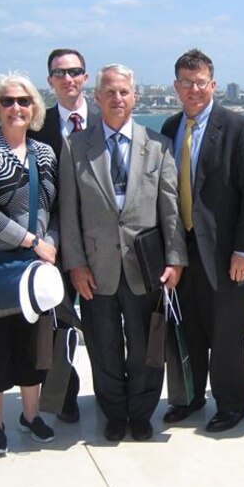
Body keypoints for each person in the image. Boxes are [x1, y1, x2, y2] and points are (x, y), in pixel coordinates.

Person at [59, 64, 187, 442]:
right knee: (104, 346)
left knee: (147, 346)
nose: (117, 99)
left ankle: (142, 411)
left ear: (135, 97)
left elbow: (171, 210)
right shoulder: (76, 147)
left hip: (144, 267)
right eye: (109, 92)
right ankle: (114, 412)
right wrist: (76, 264)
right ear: (96, 98)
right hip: (96, 269)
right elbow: (69, 212)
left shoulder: (157, 146)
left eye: (124, 92)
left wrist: (176, 260)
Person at [160, 49, 244, 433]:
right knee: (187, 331)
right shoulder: (170, 128)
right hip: (181, 252)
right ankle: (190, 396)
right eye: (186, 83)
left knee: (226, 335)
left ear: (213, 85)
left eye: (200, 82)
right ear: (176, 87)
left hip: (226, 254)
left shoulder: (238, 128)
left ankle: (231, 403)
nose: (194, 89)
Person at [0, 72, 59, 456]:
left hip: (35, 270)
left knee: (34, 346)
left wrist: (49, 243)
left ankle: (31, 415)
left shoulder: (44, 153)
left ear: (33, 107)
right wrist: (34, 241)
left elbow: (54, 209)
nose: (15, 108)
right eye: (7, 101)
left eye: (23, 101)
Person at [27, 48, 102, 424]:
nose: (68, 78)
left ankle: (108, 392)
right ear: (50, 80)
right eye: (60, 73)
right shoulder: (35, 127)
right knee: (57, 326)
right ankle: (65, 396)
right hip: (52, 246)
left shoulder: (108, 120)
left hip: (101, 245)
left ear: (85, 77)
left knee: (104, 324)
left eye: (75, 71)